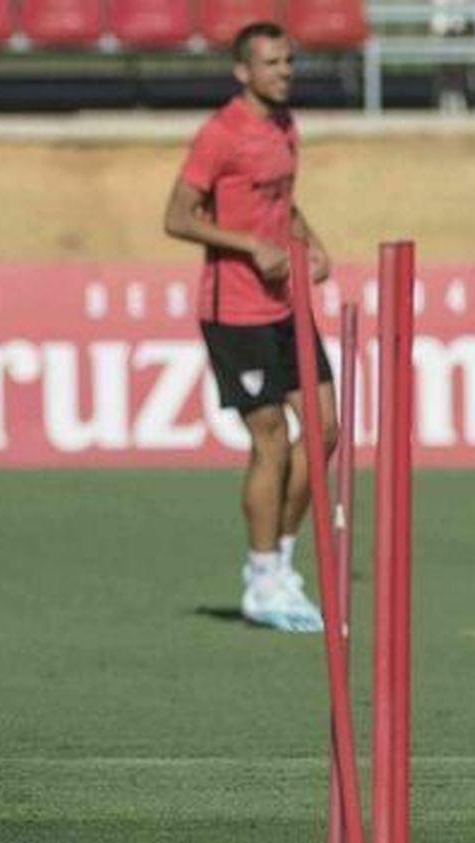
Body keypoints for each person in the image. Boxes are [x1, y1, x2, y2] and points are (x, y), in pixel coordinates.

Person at [163, 21, 339, 633]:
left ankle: (281, 562)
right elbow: (177, 217)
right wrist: (248, 246)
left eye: (289, 61)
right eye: (272, 63)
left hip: (284, 303)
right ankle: (261, 576)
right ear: (243, 71)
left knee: (325, 430)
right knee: (271, 438)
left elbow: (280, 200)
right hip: (234, 310)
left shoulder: (285, 125)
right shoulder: (220, 135)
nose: (284, 72)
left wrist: (311, 242)